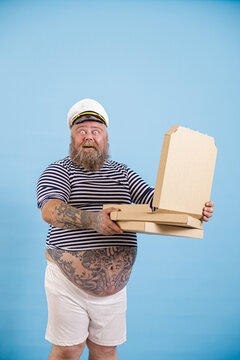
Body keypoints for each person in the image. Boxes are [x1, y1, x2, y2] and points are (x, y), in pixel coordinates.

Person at [37, 98, 214, 360]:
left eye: (96, 131)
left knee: (106, 352)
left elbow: (156, 201)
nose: (89, 137)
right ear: (71, 138)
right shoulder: (59, 170)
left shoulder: (123, 173)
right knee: (67, 351)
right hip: (67, 283)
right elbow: (50, 210)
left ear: (106, 138)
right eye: (81, 131)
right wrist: (95, 220)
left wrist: (193, 207)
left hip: (114, 289)